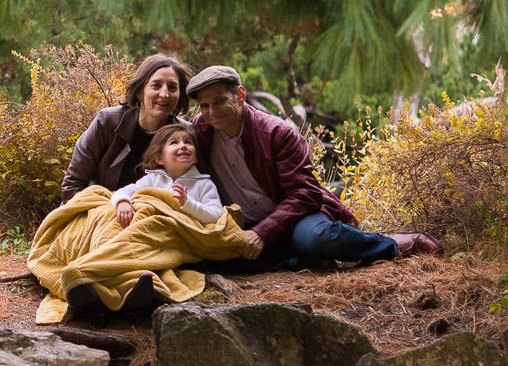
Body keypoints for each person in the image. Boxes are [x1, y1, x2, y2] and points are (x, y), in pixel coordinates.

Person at [187, 64, 440, 269]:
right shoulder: (199, 133)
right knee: (211, 258)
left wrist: (263, 232)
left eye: (220, 101)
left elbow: (306, 194)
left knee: (317, 239)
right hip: (244, 224)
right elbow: (166, 144)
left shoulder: (276, 132)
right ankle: (299, 259)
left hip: (294, 218)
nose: (212, 112)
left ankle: (397, 244)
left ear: (240, 95)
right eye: (205, 106)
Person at [60, 53, 192, 203]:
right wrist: (111, 208)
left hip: (155, 216)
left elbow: (196, 187)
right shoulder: (107, 122)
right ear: (140, 91)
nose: (164, 94)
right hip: (100, 211)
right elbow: (72, 187)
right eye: (156, 85)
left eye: (172, 87)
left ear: (180, 94)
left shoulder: (186, 135)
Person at [110, 125, 223, 228]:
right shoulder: (152, 179)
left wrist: (188, 204)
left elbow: (215, 215)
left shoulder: (203, 183)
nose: (183, 145)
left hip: (183, 237)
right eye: (174, 142)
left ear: (195, 158)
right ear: (159, 158)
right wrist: (123, 203)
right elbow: (122, 192)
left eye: (188, 142)